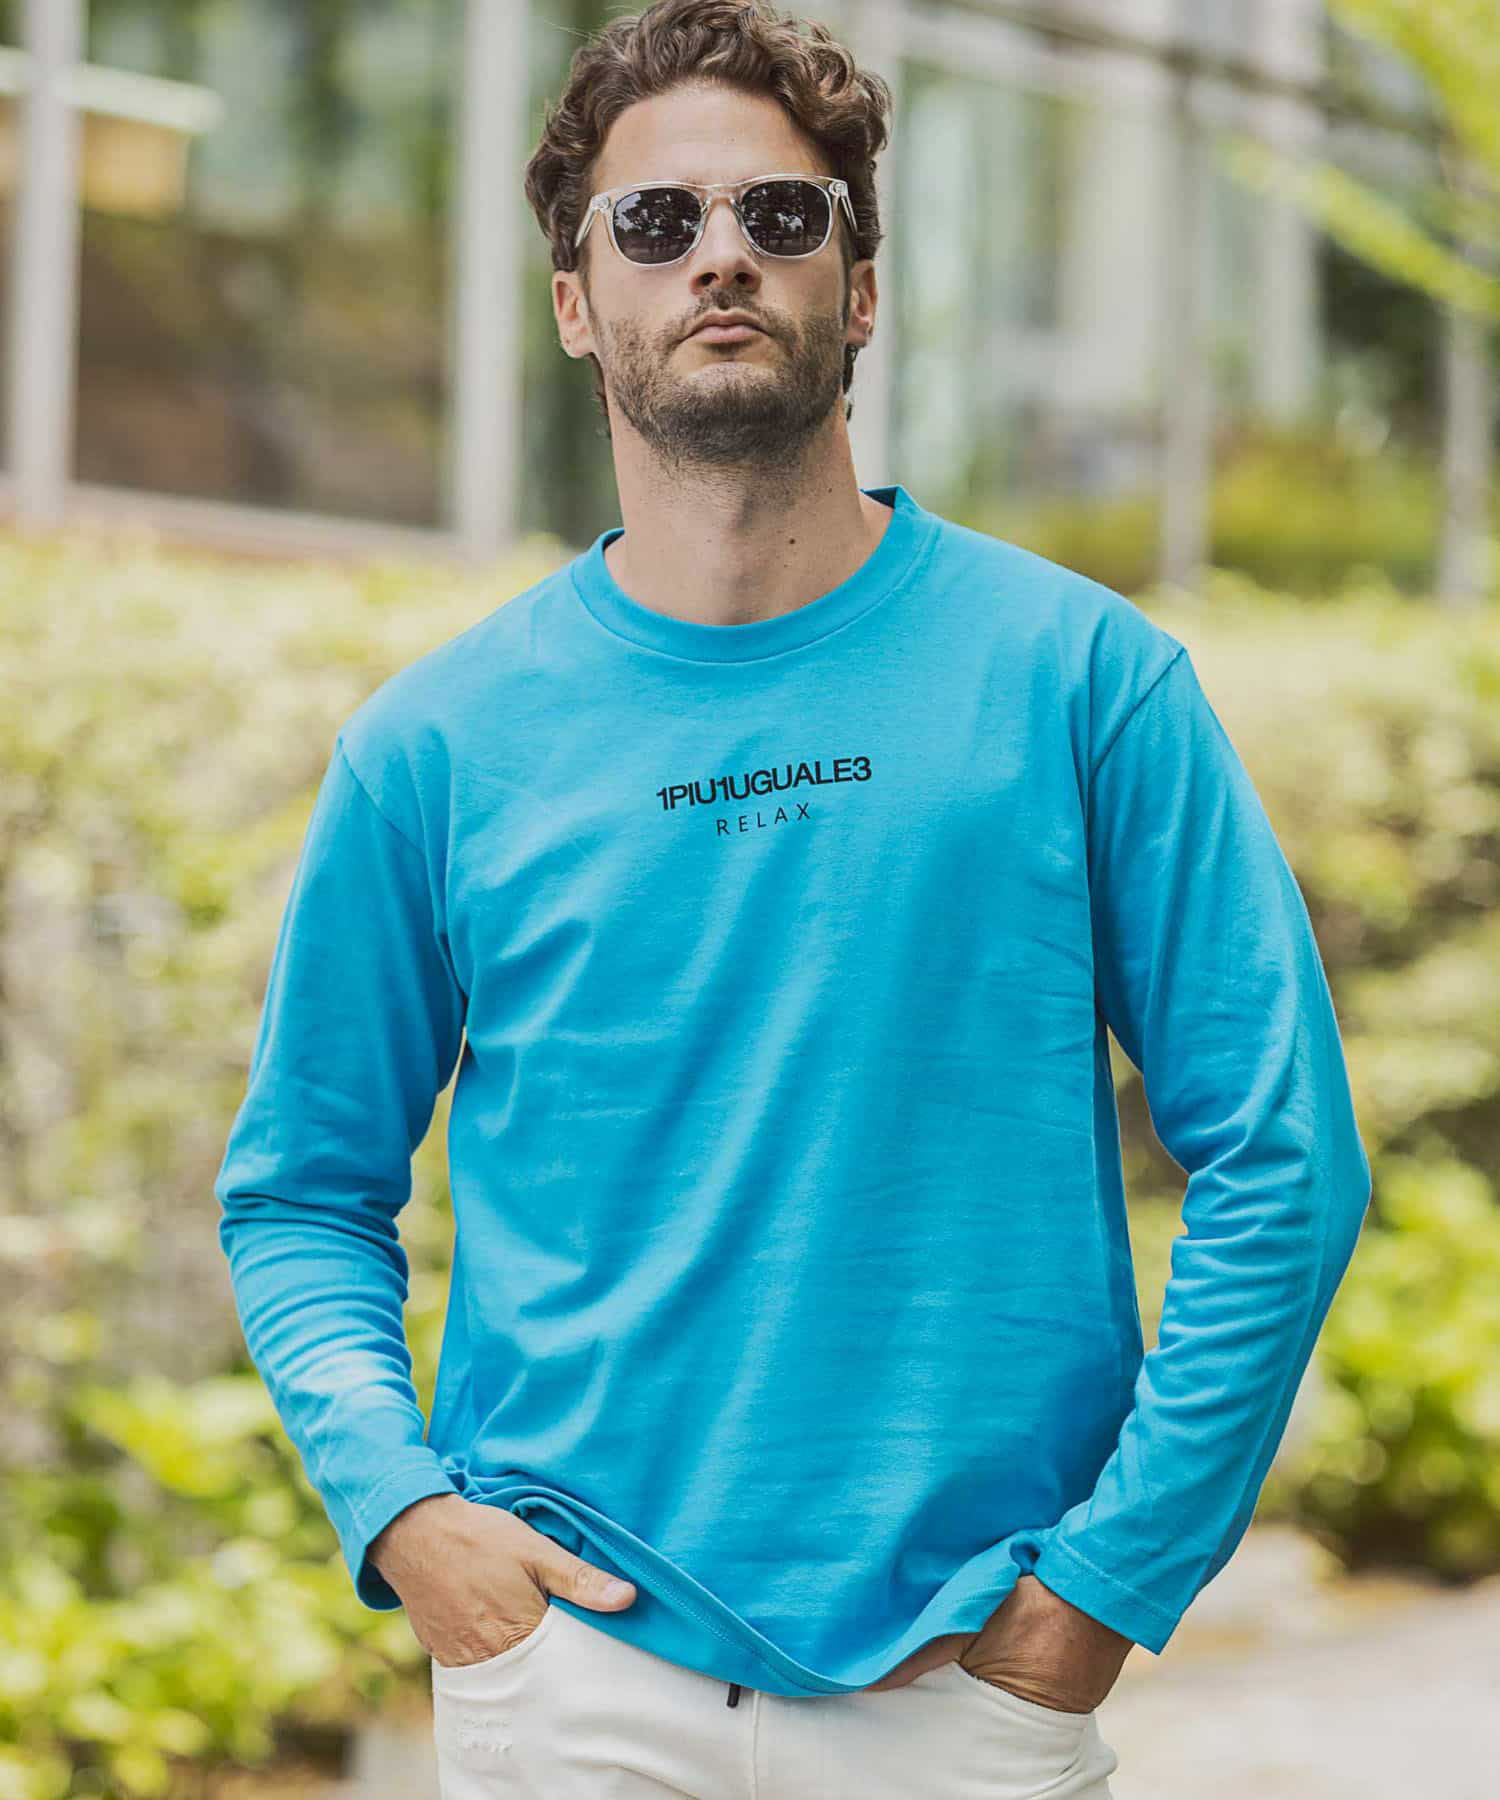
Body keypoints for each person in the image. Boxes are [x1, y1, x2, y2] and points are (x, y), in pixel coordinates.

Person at [214, 2, 1372, 1794]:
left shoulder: (1081, 682)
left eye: (781, 212)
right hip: (572, 1671)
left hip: (969, 1677)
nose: (722, 254)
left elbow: (1285, 1157)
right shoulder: (433, 747)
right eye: (655, 222)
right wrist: (407, 1518)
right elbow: (301, 1191)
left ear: (865, 284)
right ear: (576, 302)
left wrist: (1105, 1587)